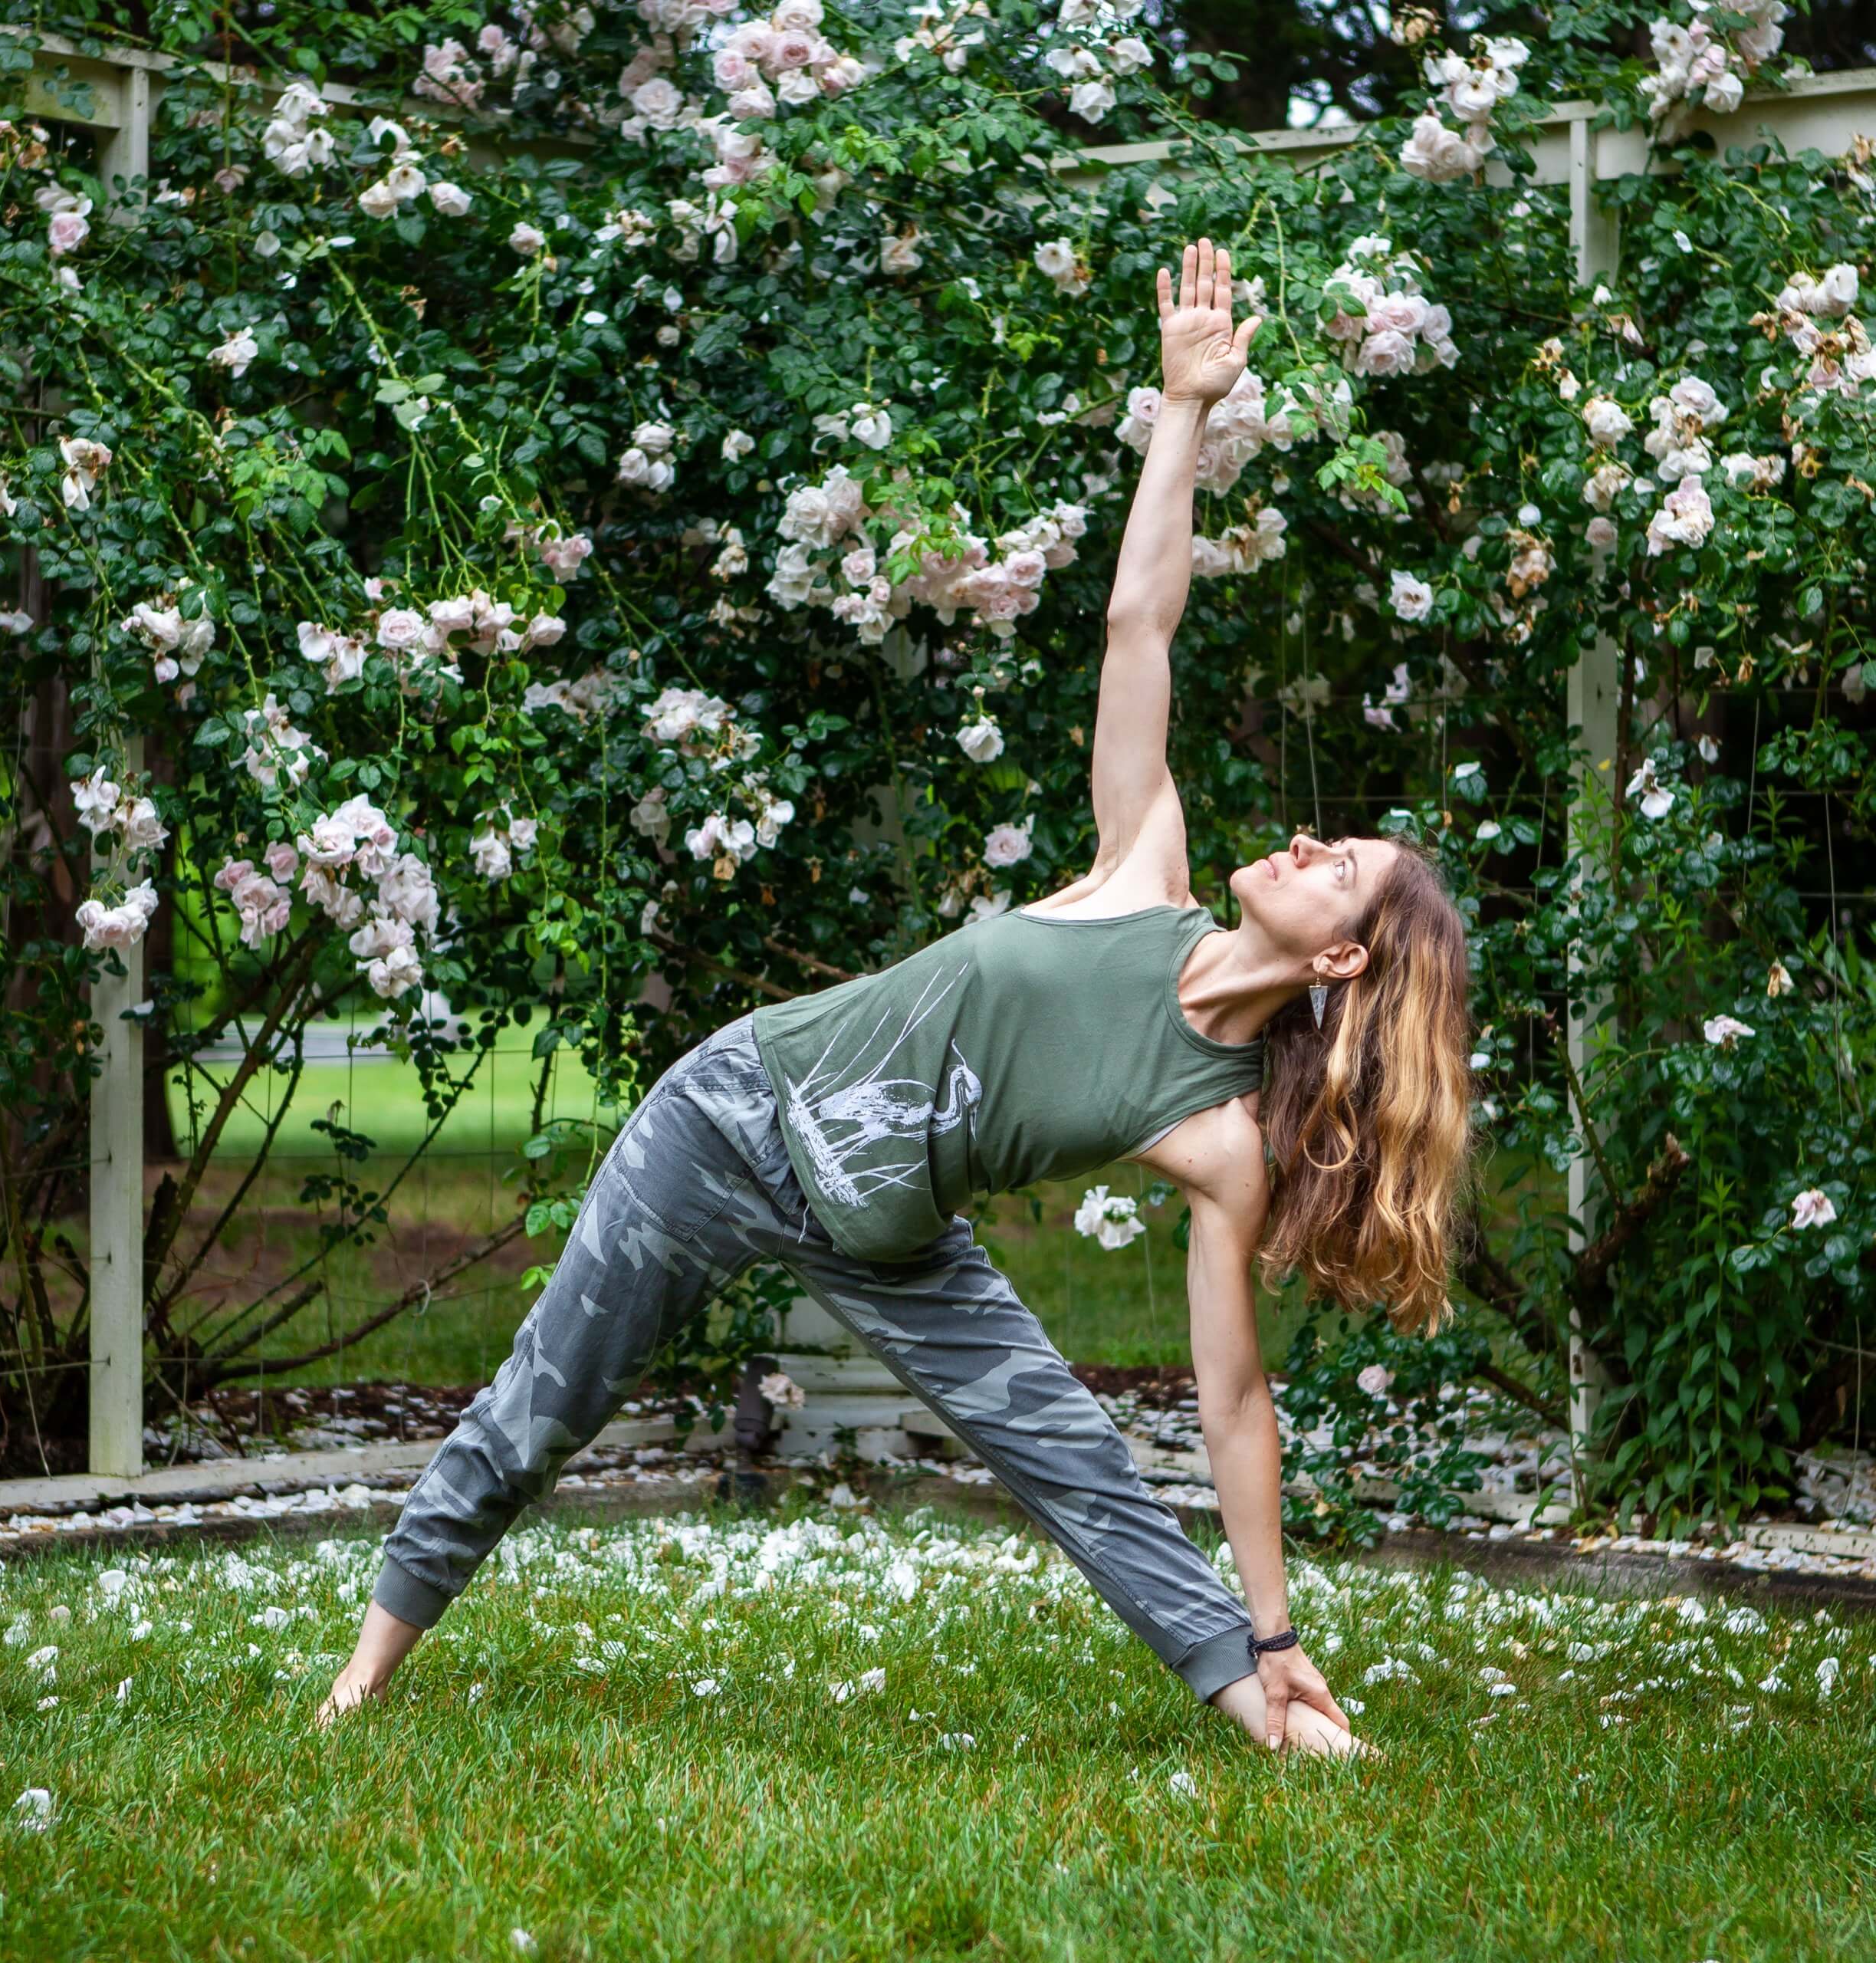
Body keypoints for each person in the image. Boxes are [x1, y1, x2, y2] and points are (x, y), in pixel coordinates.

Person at [318, 238, 1472, 1759]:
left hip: (887, 1235)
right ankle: (357, 1683)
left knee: (1077, 1460)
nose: (1312, 840)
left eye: (1343, 869)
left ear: (1339, 961)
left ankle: (1272, 1710)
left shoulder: (1218, 1138)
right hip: (726, 1123)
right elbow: (1139, 627)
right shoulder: (1145, 864)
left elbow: (1232, 1401)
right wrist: (1183, 410)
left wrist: (1275, 1622)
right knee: (542, 1400)